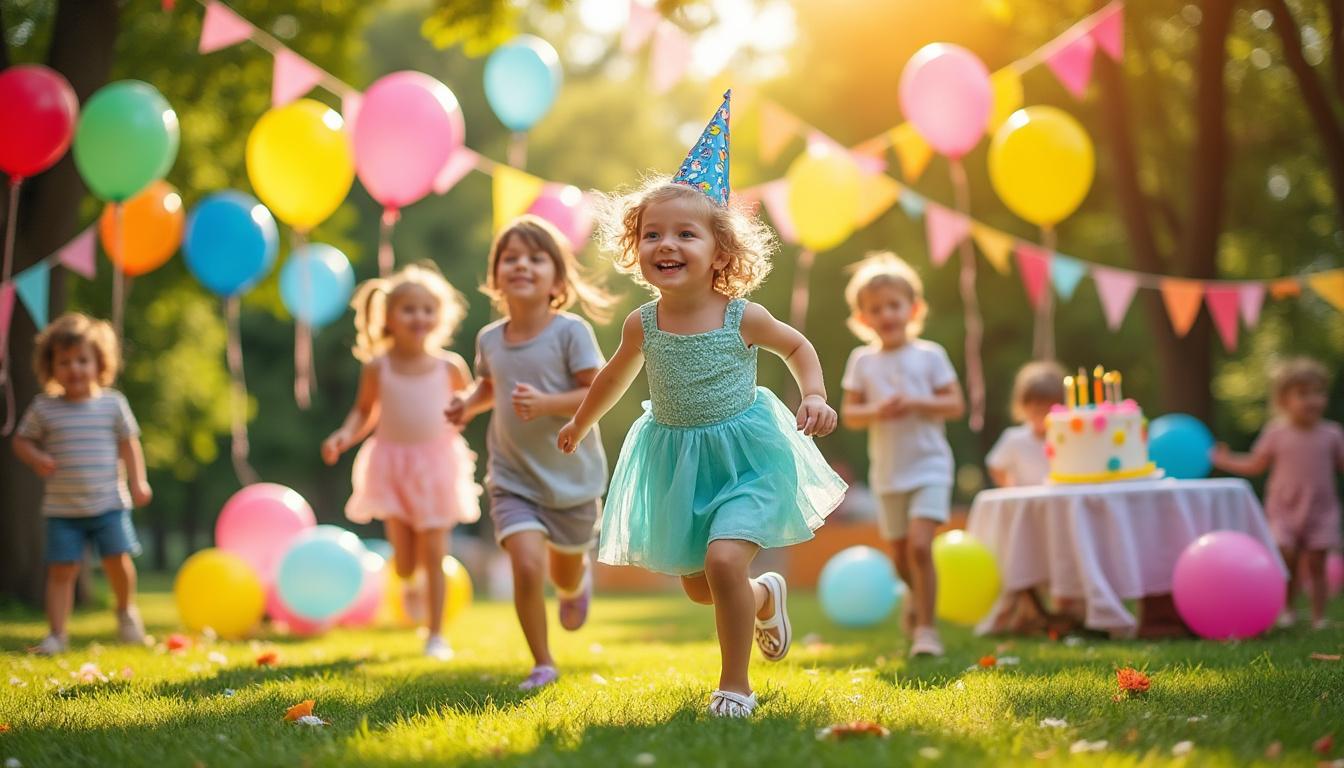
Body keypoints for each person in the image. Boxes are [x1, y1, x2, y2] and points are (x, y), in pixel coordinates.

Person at [557, 91, 846, 718]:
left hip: (745, 454)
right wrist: (581, 422)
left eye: (686, 233)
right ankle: (764, 596)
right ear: (637, 250)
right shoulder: (644, 323)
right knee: (701, 586)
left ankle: (735, 686)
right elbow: (613, 376)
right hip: (678, 460)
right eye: (653, 233)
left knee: (720, 561)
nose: (668, 244)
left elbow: (798, 347)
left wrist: (816, 394)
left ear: (720, 251)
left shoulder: (742, 315)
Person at [446, 215, 614, 690]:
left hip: (571, 477)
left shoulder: (570, 332)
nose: (522, 265)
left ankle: (573, 582)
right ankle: (542, 661)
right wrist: (466, 404)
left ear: (557, 279)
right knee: (524, 563)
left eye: (536, 258)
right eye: (510, 257)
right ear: (495, 275)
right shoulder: (490, 338)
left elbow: (598, 392)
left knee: (562, 569)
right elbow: (490, 385)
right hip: (512, 476)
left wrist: (546, 405)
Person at [322, 262, 481, 659]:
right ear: (388, 318)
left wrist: (464, 409)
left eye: (428, 309)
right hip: (391, 464)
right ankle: (409, 584)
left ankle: (436, 634)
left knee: (434, 549)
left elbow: (470, 402)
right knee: (407, 560)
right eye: (409, 309)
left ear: (440, 318)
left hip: (437, 465)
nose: (419, 317)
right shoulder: (379, 367)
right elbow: (364, 413)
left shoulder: (450, 366)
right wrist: (344, 435)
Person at [839, 252, 965, 657]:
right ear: (863, 319)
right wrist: (878, 410)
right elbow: (851, 414)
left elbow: (955, 405)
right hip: (889, 473)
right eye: (876, 309)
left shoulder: (930, 355)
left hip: (930, 466)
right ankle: (917, 599)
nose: (886, 314)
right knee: (900, 556)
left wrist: (918, 401)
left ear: (913, 309)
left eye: (894, 305)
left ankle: (927, 630)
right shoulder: (862, 362)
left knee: (921, 546)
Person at [13, 313, 152, 654]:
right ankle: (57, 634)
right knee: (62, 571)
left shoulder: (112, 404)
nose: (74, 368)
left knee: (118, 561)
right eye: (64, 362)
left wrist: (139, 482)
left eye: (82, 360)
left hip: (109, 504)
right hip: (63, 509)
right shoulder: (45, 408)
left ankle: (125, 612)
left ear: (99, 363)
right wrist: (35, 458)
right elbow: (21, 440)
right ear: (51, 367)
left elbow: (129, 444)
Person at [1212, 357, 1343, 631]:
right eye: (1303, 394)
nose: (1312, 400)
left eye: (1318, 393)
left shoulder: (1331, 434)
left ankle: (1319, 616)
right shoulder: (1276, 432)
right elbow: (1256, 463)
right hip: (1284, 508)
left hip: (1321, 509)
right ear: (1284, 400)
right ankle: (1289, 609)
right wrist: (1226, 461)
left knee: (1318, 562)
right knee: (1287, 556)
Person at [987, 360, 1065, 487]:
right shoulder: (1014, 438)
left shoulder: (1066, 438)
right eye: (1037, 411)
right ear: (1024, 407)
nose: (1042, 417)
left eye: (1047, 411)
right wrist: (1010, 489)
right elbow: (995, 465)